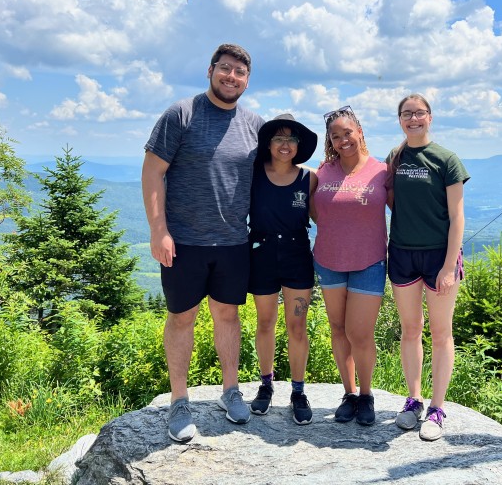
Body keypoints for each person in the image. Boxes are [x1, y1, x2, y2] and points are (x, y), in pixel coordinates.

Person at [141, 43, 264, 443]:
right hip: (184, 243)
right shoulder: (182, 114)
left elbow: (280, 167)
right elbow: (152, 172)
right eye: (225, 69)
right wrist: (159, 230)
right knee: (182, 318)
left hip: (233, 243)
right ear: (210, 70)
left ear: (247, 80)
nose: (232, 77)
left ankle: (231, 391)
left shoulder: (254, 125)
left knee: (228, 316)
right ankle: (179, 401)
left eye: (239, 73)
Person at [387, 94, 469, 441]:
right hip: (402, 253)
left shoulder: (446, 159)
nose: (413, 119)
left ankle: (437, 408)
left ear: (430, 117)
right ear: (400, 119)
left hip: (439, 256)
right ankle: (413, 400)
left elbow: (457, 216)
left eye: (419, 113)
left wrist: (450, 265)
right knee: (410, 329)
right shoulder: (395, 157)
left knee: (441, 333)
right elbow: (391, 201)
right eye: (407, 114)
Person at [310, 106, 390, 426]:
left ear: (360, 132)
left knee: (361, 333)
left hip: (369, 261)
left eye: (348, 133)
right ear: (329, 140)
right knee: (338, 329)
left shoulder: (381, 171)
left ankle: (367, 394)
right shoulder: (322, 172)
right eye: (335, 135)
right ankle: (349, 393)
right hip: (329, 260)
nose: (343, 140)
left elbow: (404, 209)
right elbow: (312, 211)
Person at [247, 113, 318, 425]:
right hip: (261, 253)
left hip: (297, 254)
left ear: (299, 144)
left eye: (291, 138)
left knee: (297, 326)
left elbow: (326, 214)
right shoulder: (254, 173)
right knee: (265, 322)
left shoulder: (309, 178)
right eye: (279, 138)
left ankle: (298, 391)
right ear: (269, 143)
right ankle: (265, 385)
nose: (285, 144)